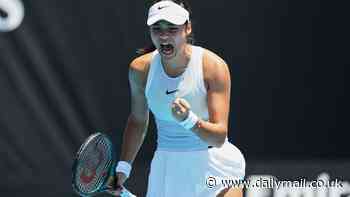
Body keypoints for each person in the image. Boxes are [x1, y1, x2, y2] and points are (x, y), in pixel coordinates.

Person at [108, 0, 246, 196]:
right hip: (168, 167)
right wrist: (122, 169)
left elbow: (218, 137)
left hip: (215, 163)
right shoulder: (140, 70)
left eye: (172, 29)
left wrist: (189, 120)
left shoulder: (213, 67)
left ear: (187, 28)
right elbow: (138, 121)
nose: (164, 36)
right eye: (157, 29)